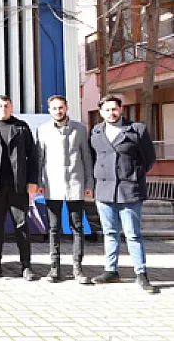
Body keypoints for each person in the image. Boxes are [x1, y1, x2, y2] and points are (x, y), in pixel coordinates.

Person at [89, 95, 158, 293]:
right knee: (110, 233)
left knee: (133, 234)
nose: (111, 113)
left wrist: (133, 174)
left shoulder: (137, 130)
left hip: (129, 189)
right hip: (104, 190)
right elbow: (93, 158)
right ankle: (111, 271)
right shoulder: (96, 131)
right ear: (101, 112)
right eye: (107, 110)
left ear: (121, 109)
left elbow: (149, 159)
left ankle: (141, 273)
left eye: (114, 109)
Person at [0, 95, 38, 280]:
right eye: (0, 106)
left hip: (18, 186)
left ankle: (26, 266)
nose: (3, 109)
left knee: (22, 225)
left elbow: (32, 156)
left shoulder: (22, 127)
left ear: (11, 108)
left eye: (6, 105)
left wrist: (32, 181)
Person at [36, 95, 94, 284]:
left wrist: (89, 184)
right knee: (54, 228)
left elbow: (87, 158)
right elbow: (39, 159)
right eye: (54, 108)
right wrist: (39, 184)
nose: (58, 111)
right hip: (52, 186)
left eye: (61, 107)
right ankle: (54, 268)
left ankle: (78, 267)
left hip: (75, 185)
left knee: (77, 227)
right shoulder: (43, 130)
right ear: (49, 110)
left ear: (66, 108)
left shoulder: (80, 129)